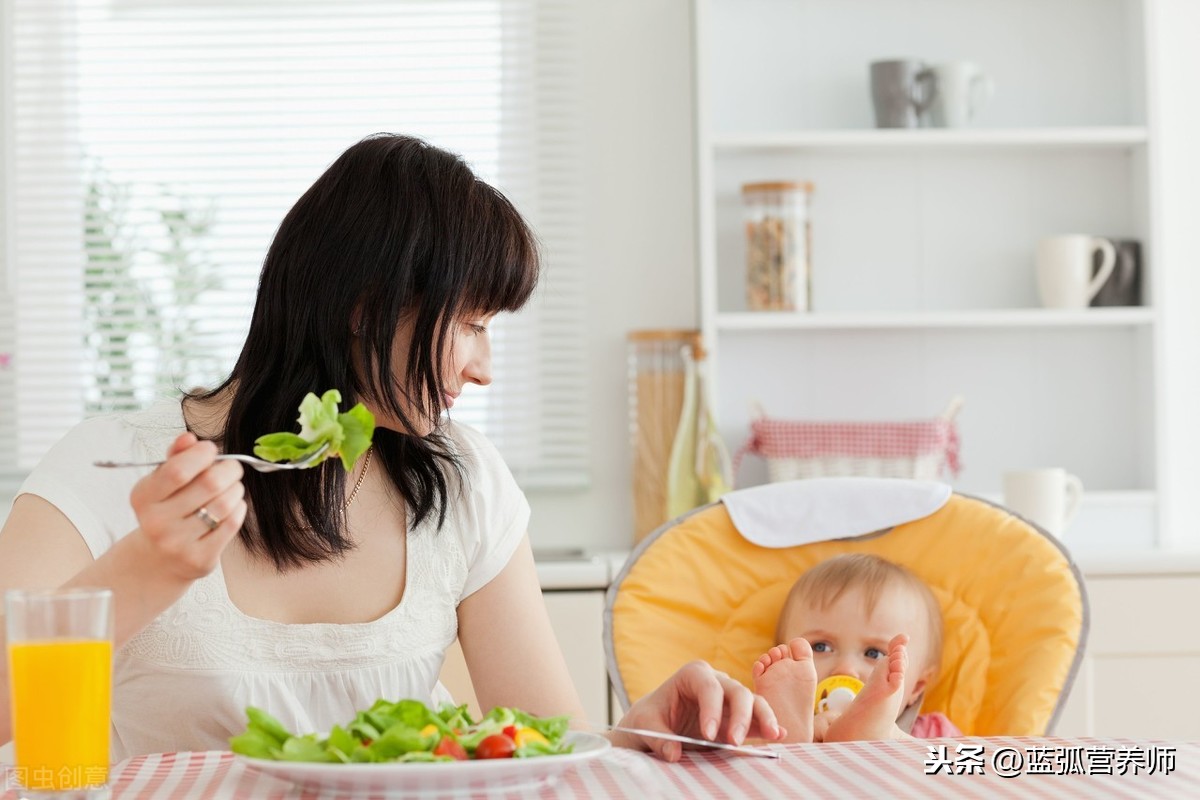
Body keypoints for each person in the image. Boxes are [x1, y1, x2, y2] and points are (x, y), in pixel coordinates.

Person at [0, 133, 783, 762]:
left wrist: (638, 736)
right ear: (364, 306)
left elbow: (545, 745)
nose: (482, 369)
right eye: (471, 325)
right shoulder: (116, 466)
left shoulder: (466, 479)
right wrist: (148, 568)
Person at [751, 553, 962, 743]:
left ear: (916, 687)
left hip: (903, 767)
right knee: (753, 739)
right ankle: (785, 736)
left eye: (874, 653)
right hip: (797, 775)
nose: (845, 669)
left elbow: (972, 776)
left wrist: (902, 743)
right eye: (821, 647)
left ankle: (889, 737)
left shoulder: (936, 733)